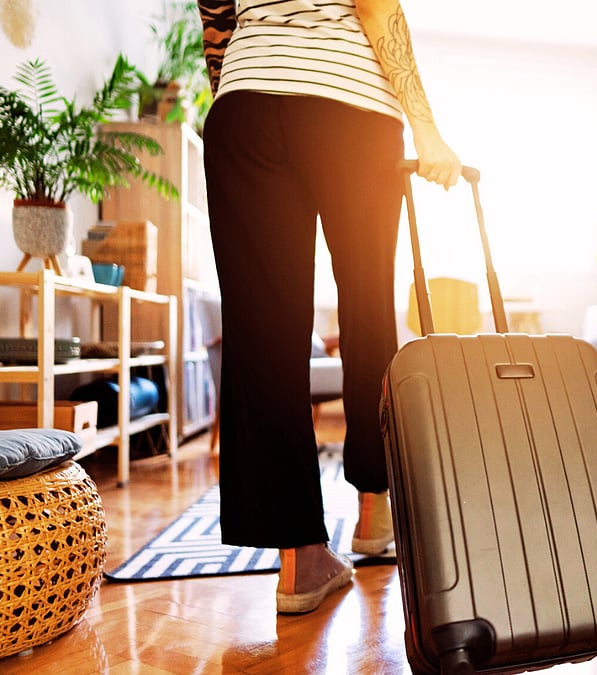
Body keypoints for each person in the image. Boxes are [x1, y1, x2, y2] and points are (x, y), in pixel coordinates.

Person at [198, 0, 461, 614]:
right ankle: (375, 509)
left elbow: (216, 23)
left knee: (261, 332)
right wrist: (425, 125)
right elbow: (374, 5)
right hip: (349, 104)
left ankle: (300, 560)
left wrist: (251, 88)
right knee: (369, 306)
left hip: (244, 104)